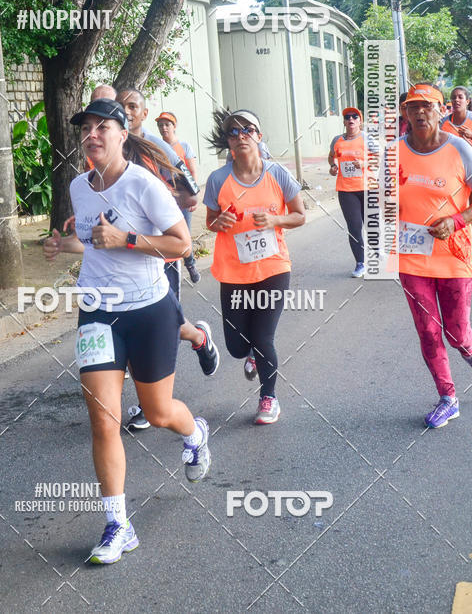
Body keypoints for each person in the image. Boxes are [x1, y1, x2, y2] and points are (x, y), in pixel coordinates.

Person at [43, 99, 211, 564]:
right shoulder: (80, 186)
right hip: (98, 310)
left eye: (102, 127)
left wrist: (128, 240)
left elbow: (181, 243)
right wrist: (66, 244)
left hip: (150, 310)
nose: (92, 134)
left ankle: (194, 432)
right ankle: (118, 523)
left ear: (121, 134)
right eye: (86, 128)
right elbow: (94, 242)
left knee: (158, 413)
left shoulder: (145, 185)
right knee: (103, 418)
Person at [117, 88, 219, 431]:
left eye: (133, 106)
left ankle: (197, 338)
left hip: (160, 250)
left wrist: (160, 196)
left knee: (162, 326)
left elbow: (190, 196)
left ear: (143, 113)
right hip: (121, 257)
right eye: (122, 106)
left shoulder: (155, 148)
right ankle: (152, 397)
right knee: (129, 326)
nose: (126, 111)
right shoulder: (105, 147)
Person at [204, 110, 305, 424]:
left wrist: (276, 219)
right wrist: (218, 222)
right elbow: (210, 222)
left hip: (273, 268)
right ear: (228, 142)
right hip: (233, 270)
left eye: (248, 129)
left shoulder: (277, 174)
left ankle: (268, 398)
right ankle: (249, 355)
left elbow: (300, 214)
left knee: (263, 338)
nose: (241, 135)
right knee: (236, 346)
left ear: (259, 136)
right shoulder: (218, 179)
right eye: (233, 132)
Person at [397, 83, 472, 428]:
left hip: (454, 254)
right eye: (413, 107)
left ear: (441, 110)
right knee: (428, 330)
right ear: (405, 113)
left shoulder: (459, 148)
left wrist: (456, 220)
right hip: (412, 258)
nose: (420, 112)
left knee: (458, 333)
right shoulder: (392, 153)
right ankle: (448, 397)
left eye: (428, 106)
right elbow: (379, 205)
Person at [328, 107, 375, 278]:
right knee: (354, 228)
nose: (351, 119)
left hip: (368, 188)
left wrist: (364, 163)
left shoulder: (367, 139)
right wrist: (333, 166)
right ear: (344, 121)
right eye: (347, 117)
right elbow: (331, 156)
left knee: (372, 226)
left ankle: (376, 253)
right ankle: (360, 263)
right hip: (346, 190)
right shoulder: (337, 140)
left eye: (355, 116)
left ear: (360, 121)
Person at [155, 111, 201, 284]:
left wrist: (194, 195)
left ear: (175, 126)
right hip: (164, 198)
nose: (164, 128)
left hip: (182, 198)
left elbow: (192, 171)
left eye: (167, 124)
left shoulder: (184, 146)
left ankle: (190, 265)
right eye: (160, 125)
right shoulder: (155, 146)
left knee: (184, 234)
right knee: (167, 234)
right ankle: (169, 272)